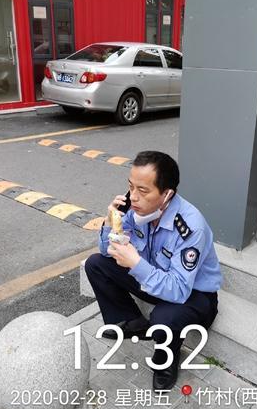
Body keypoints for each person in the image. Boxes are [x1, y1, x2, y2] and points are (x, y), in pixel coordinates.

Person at [85, 151, 222, 390]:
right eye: (131, 186)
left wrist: (135, 263)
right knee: (96, 264)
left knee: (162, 318)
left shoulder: (190, 227)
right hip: (154, 279)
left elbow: (178, 289)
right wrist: (110, 221)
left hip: (192, 294)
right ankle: (132, 323)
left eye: (143, 190)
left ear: (167, 194)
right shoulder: (136, 209)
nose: (133, 197)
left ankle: (165, 360)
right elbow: (107, 251)